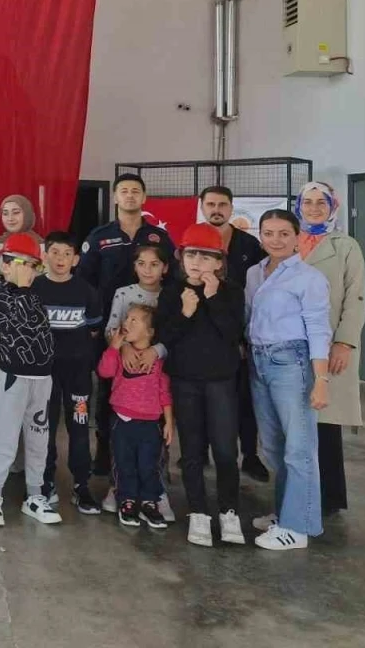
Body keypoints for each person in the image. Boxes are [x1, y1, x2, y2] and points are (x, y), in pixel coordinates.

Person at [245, 209, 332, 551]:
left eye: (284, 233)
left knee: (299, 447)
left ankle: (297, 528)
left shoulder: (309, 278)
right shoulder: (255, 273)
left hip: (291, 362)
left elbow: (319, 328)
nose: (276, 240)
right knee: (273, 446)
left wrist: (321, 378)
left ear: (298, 237)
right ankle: (284, 512)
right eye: (268, 233)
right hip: (258, 360)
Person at [156, 223, 247, 547]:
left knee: (225, 449)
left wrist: (213, 298)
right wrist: (185, 311)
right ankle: (198, 512)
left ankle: (229, 511)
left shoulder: (232, 291)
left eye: (206, 256)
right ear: (181, 258)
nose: (197, 262)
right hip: (185, 381)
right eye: (191, 255)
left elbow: (233, 334)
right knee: (192, 450)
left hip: (221, 381)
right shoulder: (172, 292)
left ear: (219, 262)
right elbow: (165, 337)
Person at [80, 173, 175, 475]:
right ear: (115, 197)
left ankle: (155, 457)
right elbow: (85, 282)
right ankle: (105, 452)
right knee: (108, 391)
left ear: (144, 197)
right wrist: (107, 335)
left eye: (136, 191)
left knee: (154, 391)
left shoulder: (158, 237)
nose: (130, 195)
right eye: (124, 190)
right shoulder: (99, 236)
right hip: (113, 329)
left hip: (153, 336)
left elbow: (173, 280)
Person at [294, 181, 365, 516]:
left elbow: (356, 297)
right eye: (307, 202)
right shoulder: (288, 240)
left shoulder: (345, 246)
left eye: (320, 202)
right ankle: (298, 495)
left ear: (332, 206)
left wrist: (344, 341)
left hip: (329, 346)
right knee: (296, 423)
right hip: (291, 345)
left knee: (325, 422)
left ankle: (328, 498)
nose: (313, 208)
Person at [0, 233, 62, 528]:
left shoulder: (38, 292)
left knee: (39, 437)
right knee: (6, 437)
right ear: (5, 265)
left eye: (32, 265)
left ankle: (35, 495)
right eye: (20, 263)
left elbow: (41, 329)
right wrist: (25, 289)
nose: (27, 270)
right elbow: (18, 327)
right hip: (14, 376)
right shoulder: (0, 293)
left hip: (42, 378)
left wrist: (29, 289)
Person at [199, 184, 271, 483]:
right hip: (202, 334)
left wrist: (244, 338)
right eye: (211, 204)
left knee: (244, 398)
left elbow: (259, 294)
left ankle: (250, 455)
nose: (216, 210)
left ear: (231, 208)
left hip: (241, 334)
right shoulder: (194, 240)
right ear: (202, 206)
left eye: (222, 205)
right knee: (202, 396)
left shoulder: (249, 245)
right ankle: (200, 450)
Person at [34, 231, 103, 515]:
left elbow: (94, 329)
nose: (60, 259)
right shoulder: (35, 288)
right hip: (44, 374)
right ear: (44, 256)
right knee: (44, 428)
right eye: (55, 252)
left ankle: (81, 485)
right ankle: (45, 481)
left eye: (67, 254)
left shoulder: (87, 291)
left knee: (79, 427)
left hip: (78, 374)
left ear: (76, 259)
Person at [100, 243, 171, 518]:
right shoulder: (124, 293)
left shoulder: (170, 295)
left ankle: (156, 493)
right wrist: (125, 347)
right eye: (141, 263)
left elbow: (175, 333)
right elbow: (112, 327)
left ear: (165, 267)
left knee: (154, 446)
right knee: (121, 447)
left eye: (154, 264)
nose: (147, 270)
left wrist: (156, 351)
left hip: (157, 369)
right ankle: (119, 489)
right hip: (125, 370)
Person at [0, 195, 38, 277]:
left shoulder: (42, 245)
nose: (10, 218)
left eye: (16, 212)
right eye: (5, 213)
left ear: (27, 214)